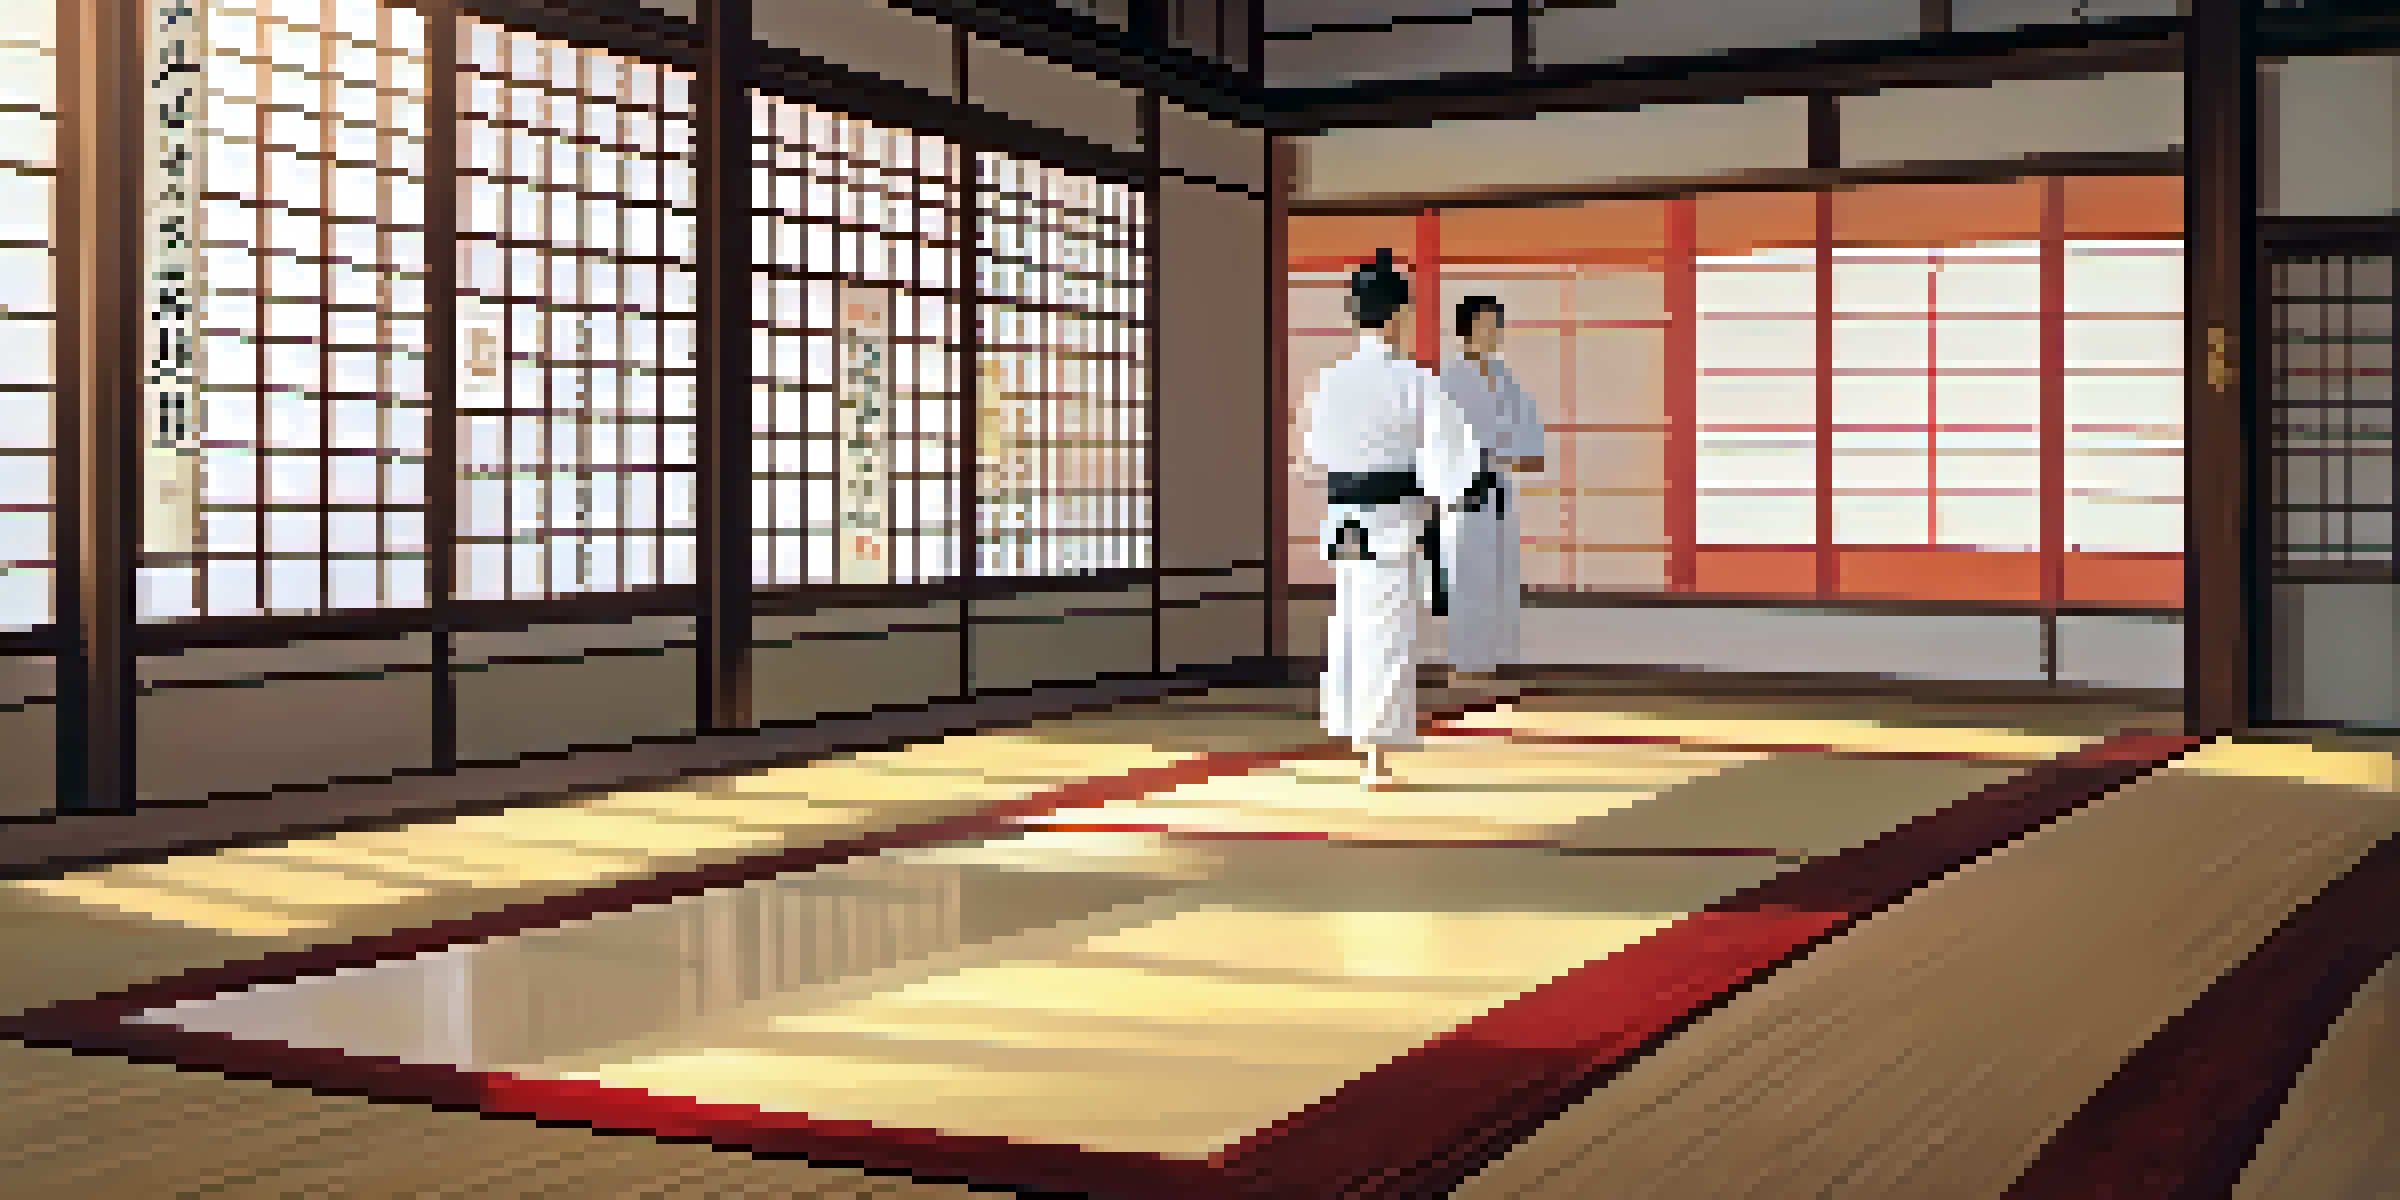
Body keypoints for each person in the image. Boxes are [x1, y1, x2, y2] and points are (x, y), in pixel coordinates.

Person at [1300, 249, 1486, 790]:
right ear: (1399, 314)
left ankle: (1357, 733)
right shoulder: (1414, 381)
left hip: (1345, 521)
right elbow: (1452, 453)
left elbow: (1315, 453)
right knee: (1386, 633)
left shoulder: (1330, 381)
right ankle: (1375, 754)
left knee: (1351, 625)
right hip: (1391, 521)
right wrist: (1451, 497)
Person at [1437, 296, 1548, 683]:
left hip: (1500, 487)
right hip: (1463, 492)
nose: (1492, 332)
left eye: (1496, 325)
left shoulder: (1506, 378)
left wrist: (1510, 455)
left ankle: (1495, 661)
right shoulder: (1448, 380)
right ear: (1466, 328)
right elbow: (1438, 442)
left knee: (1502, 576)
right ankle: (1465, 665)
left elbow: (1529, 433)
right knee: (1468, 577)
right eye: (1485, 324)